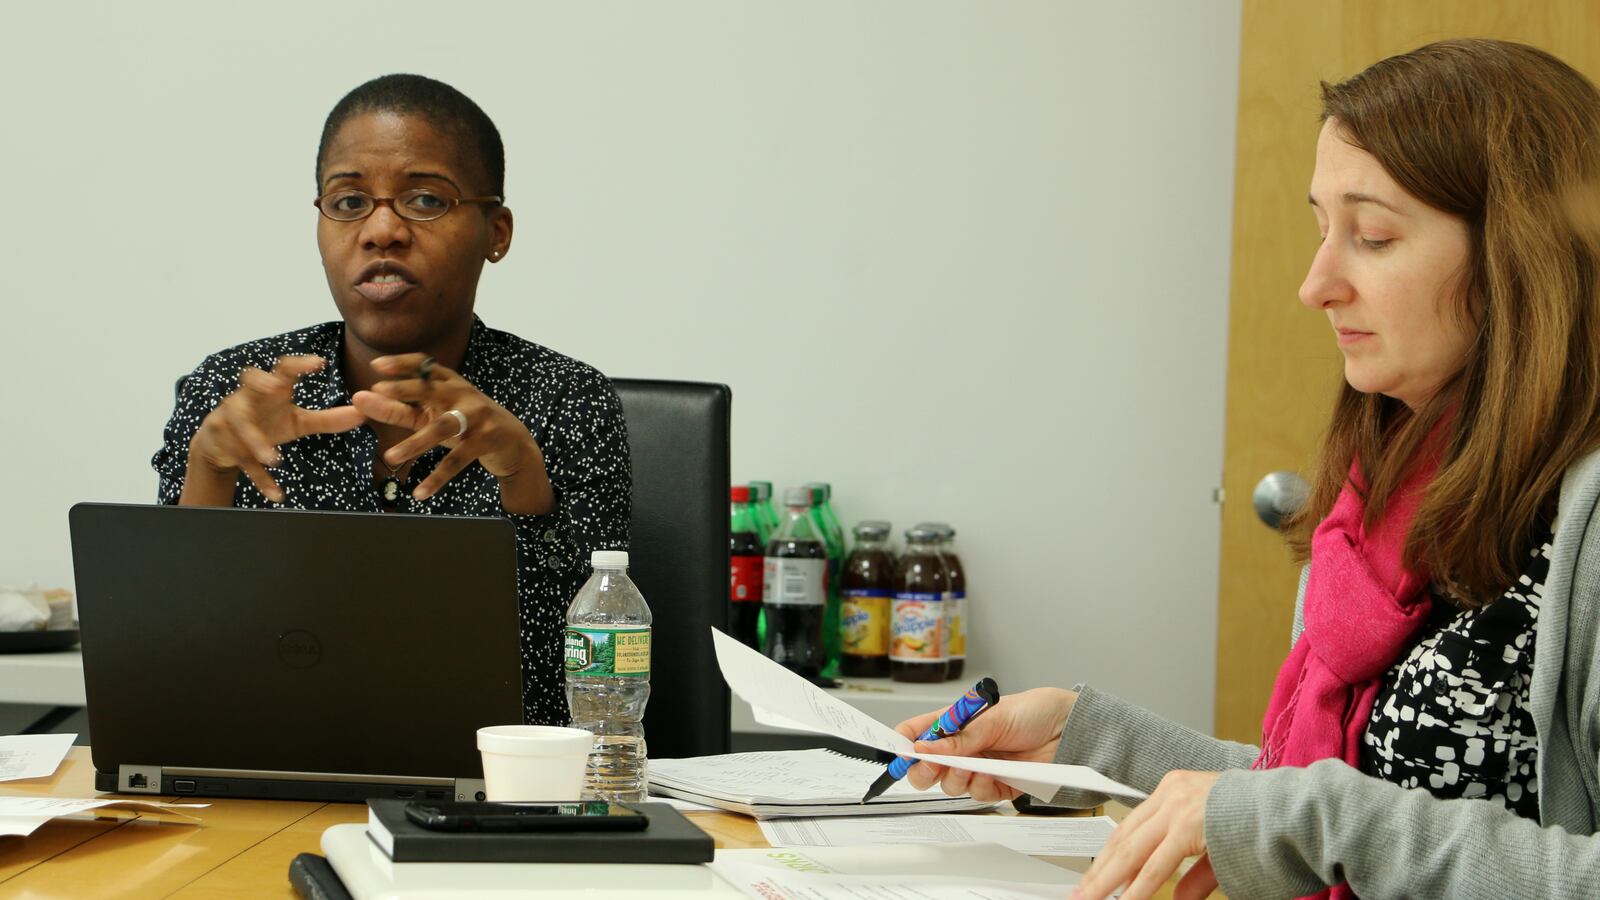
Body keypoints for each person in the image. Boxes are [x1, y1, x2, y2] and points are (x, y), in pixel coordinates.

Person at [899, 39, 1600, 900]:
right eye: (1322, 230)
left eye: (1373, 237)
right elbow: (1322, 805)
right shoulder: (1378, 508)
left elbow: (1332, 820)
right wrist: (1089, 744)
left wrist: (1307, 818)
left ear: (1522, 257)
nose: (1316, 284)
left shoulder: (1587, 523)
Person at [152, 74, 631, 727]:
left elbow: (589, 690)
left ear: (496, 232)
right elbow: (177, 666)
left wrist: (523, 479)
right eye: (349, 201)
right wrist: (209, 470)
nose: (382, 231)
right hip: (270, 768)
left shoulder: (566, 401)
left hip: (492, 779)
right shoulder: (234, 392)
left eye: (426, 199)